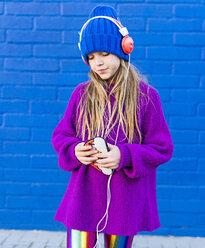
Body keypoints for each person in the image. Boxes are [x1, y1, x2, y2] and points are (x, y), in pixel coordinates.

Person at [51, 5, 174, 248]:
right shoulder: (81, 94)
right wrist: (75, 149)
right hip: (83, 197)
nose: (98, 62)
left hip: (124, 201)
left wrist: (124, 155)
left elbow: (162, 148)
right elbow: (62, 135)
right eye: (92, 57)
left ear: (123, 49)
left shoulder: (146, 97)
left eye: (104, 54)